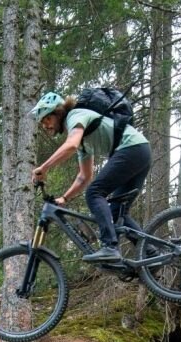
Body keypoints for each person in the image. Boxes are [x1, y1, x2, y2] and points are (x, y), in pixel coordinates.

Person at [30, 91, 151, 263]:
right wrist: (65, 198)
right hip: (140, 151)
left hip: (132, 149)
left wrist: (44, 168)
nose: (45, 125)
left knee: (94, 192)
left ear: (57, 113)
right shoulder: (83, 142)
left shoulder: (75, 116)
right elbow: (85, 176)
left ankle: (109, 247)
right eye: (42, 123)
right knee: (116, 212)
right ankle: (151, 253)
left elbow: (70, 145)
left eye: (47, 119)